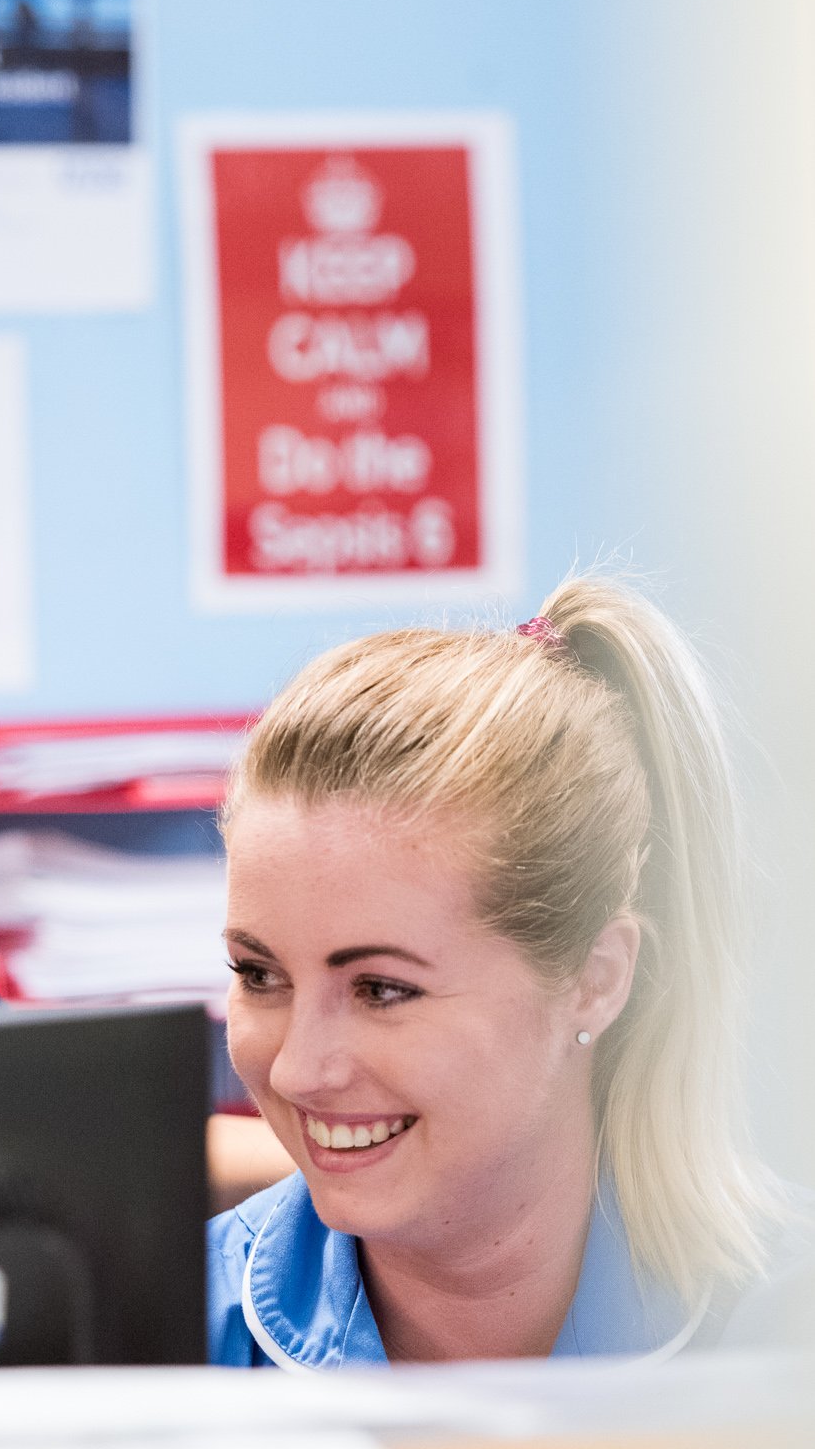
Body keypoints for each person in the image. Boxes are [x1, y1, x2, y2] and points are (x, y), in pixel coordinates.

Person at [207, 577, 797, 1367]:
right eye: (259, 974)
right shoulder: (160, 1333)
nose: (297, 1069)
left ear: (596, 978)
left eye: (382, 989)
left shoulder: (785, 1328)